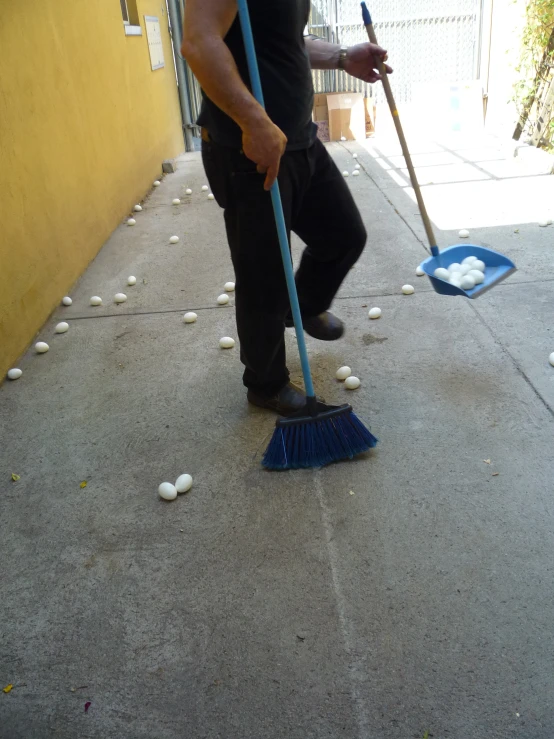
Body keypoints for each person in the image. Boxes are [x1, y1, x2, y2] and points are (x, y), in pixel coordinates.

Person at [182, 0, 392, 415]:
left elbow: (285, 39)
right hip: (248, 147)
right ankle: (266, 384)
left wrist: (343, 57)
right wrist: (254, 123)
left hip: (299, 138)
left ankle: (303, 306)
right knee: (264, 276)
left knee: (343, 235)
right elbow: (200, 43)